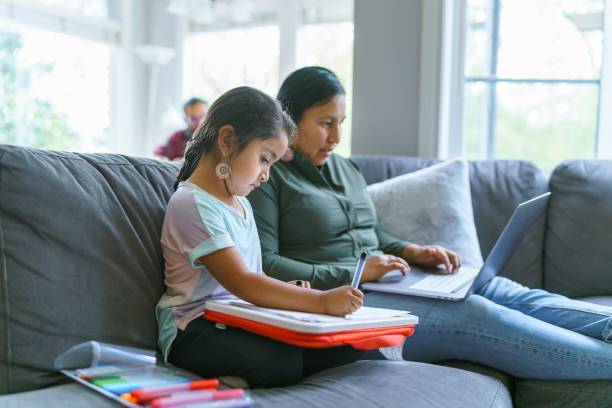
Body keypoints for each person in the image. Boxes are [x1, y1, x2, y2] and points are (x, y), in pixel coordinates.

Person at [247, 66, 612, 380]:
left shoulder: (345, 168)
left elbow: (368, 233)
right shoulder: (267, 177)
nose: (337, 137)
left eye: (341, 123)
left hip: (391, 285)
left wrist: (411, 251)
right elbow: (265, 265)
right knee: (476, 313)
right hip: (347, 304)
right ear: (289, 121)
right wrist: (355, 273)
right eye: (325, 124)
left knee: (498, 290)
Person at [155, 86, 366, 389]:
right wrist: (320, 301)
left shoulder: (241, 203)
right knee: (281, 362)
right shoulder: (192, 203)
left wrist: (286, 292)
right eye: (264, 158)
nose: (266, 174)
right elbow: (243, 282)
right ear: (227, 141)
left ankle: (243, 377)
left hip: (239, 315)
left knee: (342, 348)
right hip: (193, 327)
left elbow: (255, 276)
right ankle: (227, 379)